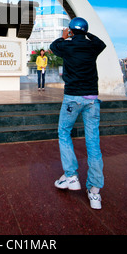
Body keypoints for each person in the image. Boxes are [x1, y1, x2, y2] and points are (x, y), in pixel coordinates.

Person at [49, 17, 106, 210]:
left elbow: (53, 45)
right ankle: (95, 192)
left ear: (71, 31)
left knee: (64, 133)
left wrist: (65, 36)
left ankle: (71, 176)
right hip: (91, 100)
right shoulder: (92, 47)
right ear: (85, 31)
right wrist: (85, 33)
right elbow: (101, 42)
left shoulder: (66, 46)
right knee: (93, 143)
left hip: (73, 98)